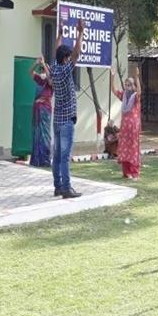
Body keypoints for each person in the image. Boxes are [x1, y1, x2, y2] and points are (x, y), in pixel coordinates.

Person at [51, 19, 85, 198]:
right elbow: (76, 55)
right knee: (64, 156)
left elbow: (57, 50)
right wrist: (80, 33)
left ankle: (57, 186)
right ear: (65, 59)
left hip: (56, 120)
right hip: (66, 121)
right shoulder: (64, 70)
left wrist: (60, 35)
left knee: (57, 155)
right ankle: (66, 188)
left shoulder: (54, 69)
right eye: (68, 56)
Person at [111, 66, 142, 179]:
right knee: (124, 148)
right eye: (126, 84)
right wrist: (112, 76)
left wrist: (137, 77)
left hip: (133, 128)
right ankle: (126, 172)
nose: (128, 87)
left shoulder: (135, 97)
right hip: (124, 128)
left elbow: (139, 91)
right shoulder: (124, 96)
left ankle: (134, 173)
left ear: (133, 86)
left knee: (133, 149)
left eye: (130, 85)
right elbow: (113, 90)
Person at [29, 56, 52, 167]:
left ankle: (45, 159)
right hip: (37, 109)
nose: (43, 71)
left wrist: (44, 64)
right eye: (42, 70)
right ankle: (36, 160)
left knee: (45, 135)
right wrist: (36, 63)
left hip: (45, 109)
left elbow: (49, 78)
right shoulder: (39, 79)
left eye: (44, 69)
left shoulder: (50, 82)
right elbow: (30, 72)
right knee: (36, 134)